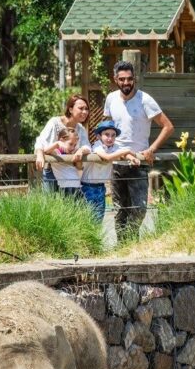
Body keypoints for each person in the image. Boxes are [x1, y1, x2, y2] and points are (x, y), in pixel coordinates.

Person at [104, 60, 175, 237]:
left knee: (139, 208)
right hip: (118, 161)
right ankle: (124, 247)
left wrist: (151, 149)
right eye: (122, 79)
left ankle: (131, 237)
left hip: (138, 161)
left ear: (134, 78)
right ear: (115, 79)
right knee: (120, 210)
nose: (126, 83)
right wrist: (104, 148)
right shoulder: (111, 99)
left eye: (129, 79)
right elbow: (106, 127)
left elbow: (168, 126)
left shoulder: (145, 99)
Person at [79, 119, 140, 222]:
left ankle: (96, 236)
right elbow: (107, 157)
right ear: (99, 136)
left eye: (113, 135)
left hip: (101, 187)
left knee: (99, 216)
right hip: (87, 186)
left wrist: (131, 157)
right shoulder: (97, 146)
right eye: (106, 134)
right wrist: (127, 150)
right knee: (87, 217)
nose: (110, 138)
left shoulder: (114, 147)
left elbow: (122, 153)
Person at [34, 94, 90, 193]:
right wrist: (39, 154)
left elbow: (87, 146)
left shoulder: (80, 128)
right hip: (51, 170)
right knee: (50, 204)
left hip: (69, 172)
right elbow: (41, 141)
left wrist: (81, 150)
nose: (85, 112)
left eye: (86, 109)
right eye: (81, 108)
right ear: (70, 109)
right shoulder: (54, 122)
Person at [38, 126, 85, 196]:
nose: (73, 147)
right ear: (61, 140)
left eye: (75, 145)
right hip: (66, 187)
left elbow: (79, 167)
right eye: (70, 144)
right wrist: (57, 144)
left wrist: (79, 153)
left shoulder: (73, 153)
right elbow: (45, 151)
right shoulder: (56, 152)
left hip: (77, 186)